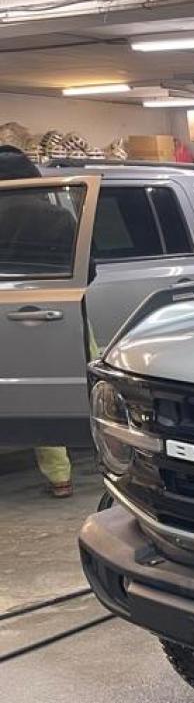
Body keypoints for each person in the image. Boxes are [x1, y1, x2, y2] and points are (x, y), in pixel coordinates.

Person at [0, 145, 76, 497]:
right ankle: (68, 474)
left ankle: (59, 475)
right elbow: (86, 269)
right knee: (83, 382)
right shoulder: (57, 215)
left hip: (6, 310)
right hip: (56, 308)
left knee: (29, 391)